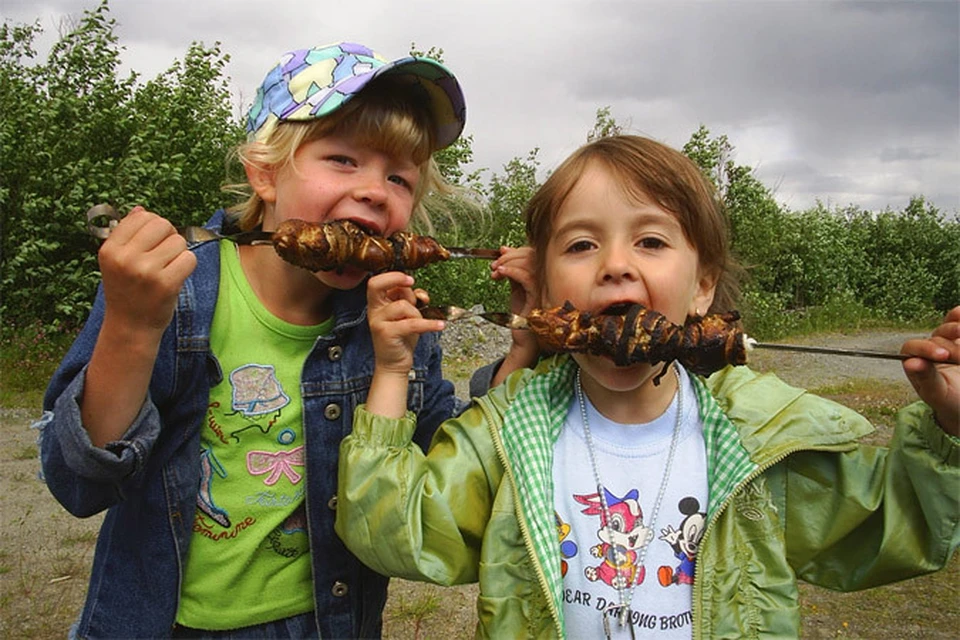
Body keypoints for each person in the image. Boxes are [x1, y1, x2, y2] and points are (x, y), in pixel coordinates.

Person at [335, 134, 960, 638]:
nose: (615, 264)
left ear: (703, 287)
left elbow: (900, 524)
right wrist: (392, 372)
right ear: (548, 296)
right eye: (581, 244)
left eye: (651, 240)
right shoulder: (508, 432)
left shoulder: (760, 437)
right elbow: (391, 531)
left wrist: (951, 427)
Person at [34, 42, 531, 639]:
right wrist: (134, 327)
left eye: (400, 176)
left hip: (327, 622)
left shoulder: (397, 323)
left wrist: (527, 340)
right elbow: (79, 481)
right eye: (344, 160)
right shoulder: (172, 295)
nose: (375, 189)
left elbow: (453, 465)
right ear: (265, 173)